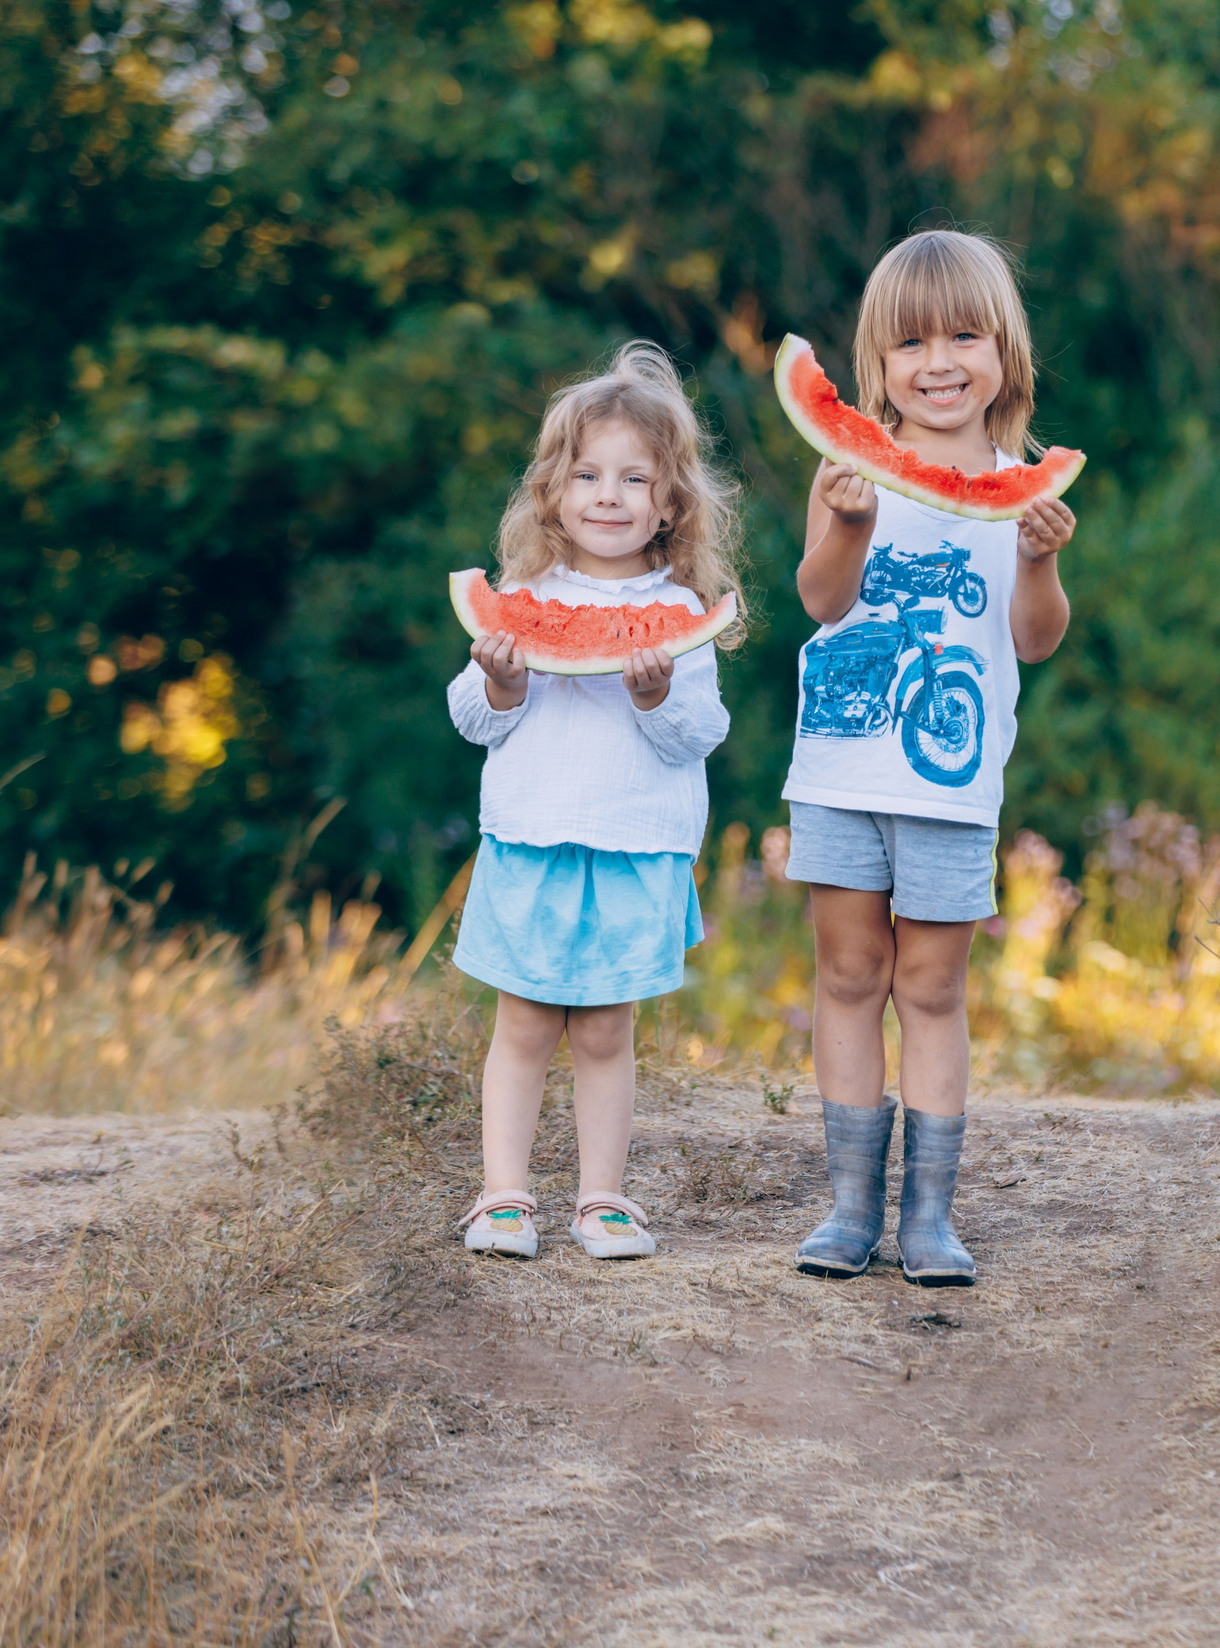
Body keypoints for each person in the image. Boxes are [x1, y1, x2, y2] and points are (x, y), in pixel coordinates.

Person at [783, 229, 1076, 1287]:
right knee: (849, 974)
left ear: (1004, 351)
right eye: (911, 343)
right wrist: (850, 525)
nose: (938, 361)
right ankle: (850, 1207)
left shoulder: (1023, 487)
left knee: (934, 988)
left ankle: (931, 1217)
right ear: (877, 363)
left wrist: (1038, 561)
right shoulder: (847, 470)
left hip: (952, 787)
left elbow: (1035, 640)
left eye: (964, 335)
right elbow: (820, 602)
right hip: (837, 771)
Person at [449, 341, 742, 1262]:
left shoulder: (683, 610)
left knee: (608, 1033)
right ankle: (503, 1196)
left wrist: (654, 695)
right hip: (532, 838)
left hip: (633, 845)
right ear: (554, 492)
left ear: (668, 502)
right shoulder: (522, 599)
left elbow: (702, 732)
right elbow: (469, 717)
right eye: (586, 474)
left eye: (633, 478)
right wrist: (501, 685)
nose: (607, 495)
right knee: (525, 1025)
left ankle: (602, 1199)